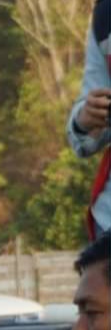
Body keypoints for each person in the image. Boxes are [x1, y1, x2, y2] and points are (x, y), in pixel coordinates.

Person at [68, 0, 111, 239]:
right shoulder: (106, 16)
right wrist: (85, 119)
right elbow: (80, 137)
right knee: (93, 277)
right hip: (108, 221)